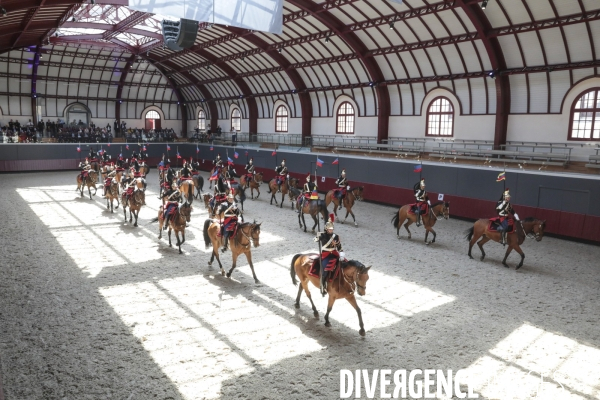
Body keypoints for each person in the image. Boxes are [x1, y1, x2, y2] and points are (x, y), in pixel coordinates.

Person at [314, 214, 345, 296]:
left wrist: (341, 255)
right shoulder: (322, 235)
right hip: (326, 254)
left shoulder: (336, 236)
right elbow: (315, 240)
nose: (331, 231)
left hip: (334, 253)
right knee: (325, 271)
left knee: (345, 264)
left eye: (332, 229)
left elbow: (339, 246)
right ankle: (322, 286)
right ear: (326, 229)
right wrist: (318, 237)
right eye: (329, 229)